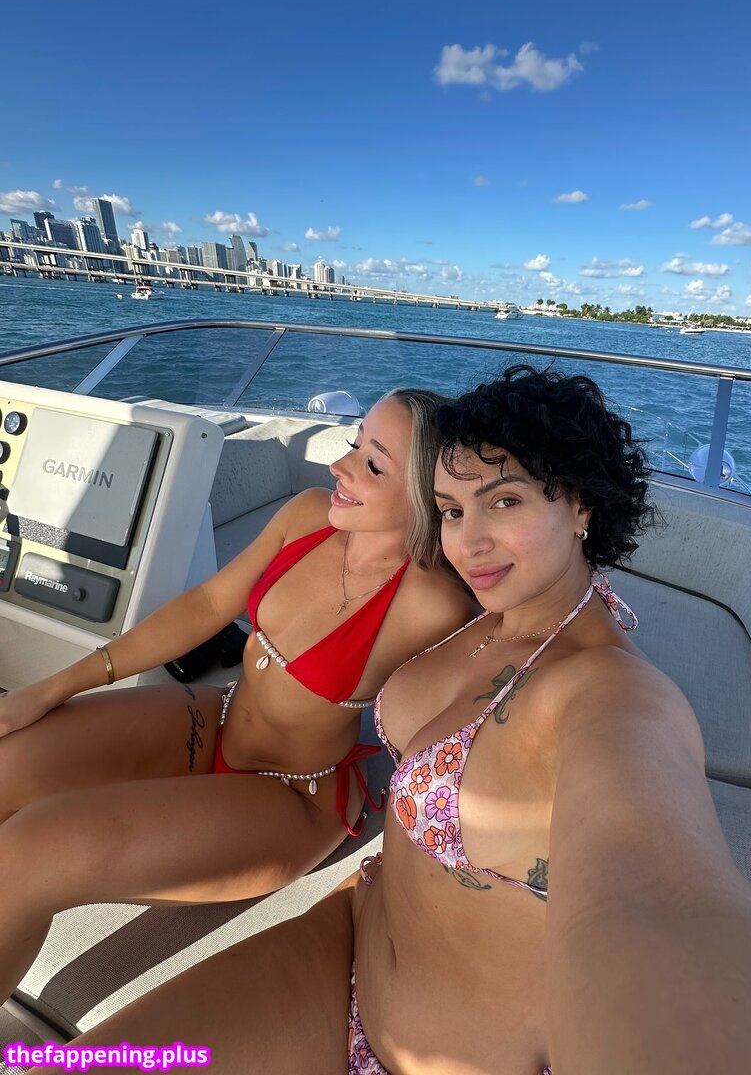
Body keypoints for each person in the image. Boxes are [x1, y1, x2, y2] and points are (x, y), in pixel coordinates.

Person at [30, 366, 751, 1074]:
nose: (469, 541)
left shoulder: (609, 692)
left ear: (580, 504)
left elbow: (663, 901)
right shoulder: (482, 620)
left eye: (504, 501)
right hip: (346, 938)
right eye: (450, 508)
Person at [0, 388, 473, 1008]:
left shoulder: (434, 606)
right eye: (354, 443)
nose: (339, 466)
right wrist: (50, 689)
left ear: (432, 499)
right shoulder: (308, 515)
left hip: (290, 795)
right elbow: (207, 604)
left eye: (373, 464)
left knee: (27, 853)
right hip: (216, 718)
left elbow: (458, 739)